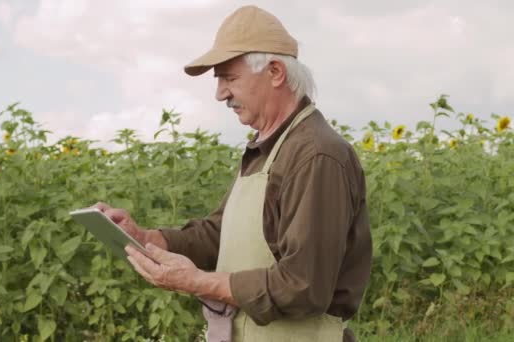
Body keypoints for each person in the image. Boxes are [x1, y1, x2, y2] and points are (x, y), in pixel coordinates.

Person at [95, 5, 371, 342]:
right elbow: (219, 234)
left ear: (275, 72)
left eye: (229, 78)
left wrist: (198, 281)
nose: (220, 93)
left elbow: (304, 285)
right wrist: (147, 238)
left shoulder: (315, 154)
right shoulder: (268, 147)